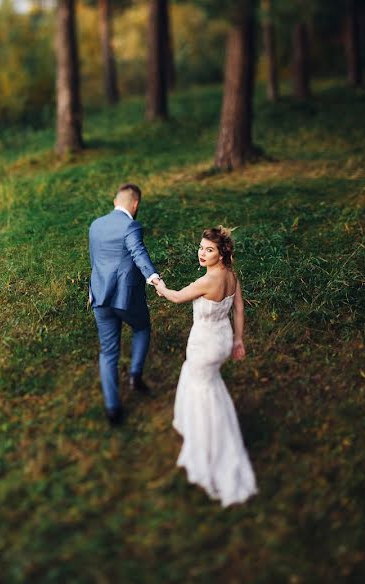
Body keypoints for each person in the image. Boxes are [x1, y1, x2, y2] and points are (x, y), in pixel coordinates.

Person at [152, 226, 257, 506]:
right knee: (206, 382)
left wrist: (158, 285)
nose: (202, 253)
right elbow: (239, 308)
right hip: (222, 339)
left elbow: (174, 296)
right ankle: (198, 429)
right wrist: (238, 340)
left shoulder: (207, 281)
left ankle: (208, 447)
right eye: (200, 247)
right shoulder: (231, 276)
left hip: (205, 344)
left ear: (221, 254)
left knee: (201, 389)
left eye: (208, 249)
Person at [88, 183, 162, 426]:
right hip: (126, 298)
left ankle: (112, 409)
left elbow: (95, 261)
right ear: (135, 204)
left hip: (99, 296)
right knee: (142, 328)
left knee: (108, 351)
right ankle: (135, 376)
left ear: (114, 202)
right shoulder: (131, 225)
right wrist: (154, 277)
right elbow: (138, 252)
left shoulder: (96, 225)